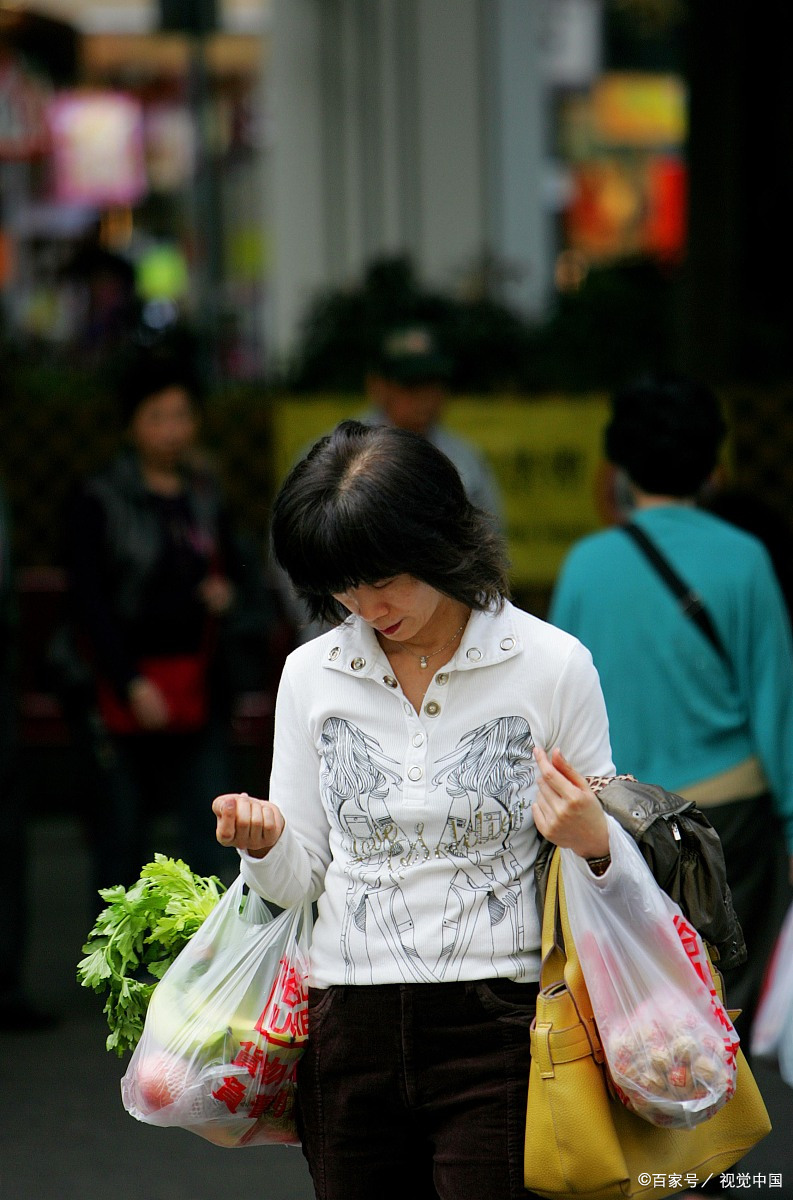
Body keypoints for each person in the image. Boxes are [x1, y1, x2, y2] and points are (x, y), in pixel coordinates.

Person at [212, 419, 621, 1200]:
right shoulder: (311, 673)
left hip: (499, 1018)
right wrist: (262, 844)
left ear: (442, 538)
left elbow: (607, 872)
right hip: (345, 1020)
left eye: (383, 578)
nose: (365, 605)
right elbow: (299, 882)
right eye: (340, 585)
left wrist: (592, 838)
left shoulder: (552, 664)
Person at [549, 375, 793, 1040]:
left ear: (620, 466)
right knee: (723, 1000)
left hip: (621, 819)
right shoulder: (745, 560)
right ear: (714, 464)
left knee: (629, 995)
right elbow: (776, 706)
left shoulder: (584, 565)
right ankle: (718, 1136)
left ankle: (652, 1125)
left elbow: (557, 714)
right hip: (731, 819)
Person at [66, 343, 247, 893]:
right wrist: (129, 682)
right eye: (157, 417)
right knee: (121, 850)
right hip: (125, 690)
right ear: (131, 425)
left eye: (182, 415)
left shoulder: (205, 492)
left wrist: (227, 592)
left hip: (198, 686)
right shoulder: (98, 498)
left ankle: (205, 975)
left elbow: (241, 572)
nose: (173, 429)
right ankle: (119, 977)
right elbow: (89, 603)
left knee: (209, 845)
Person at [360, 323, 503, 524]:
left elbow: (491, 543)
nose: (426, 399)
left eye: (433, 385)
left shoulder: (466, 461)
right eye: (412, 385)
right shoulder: (334, 456)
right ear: (378, 387)